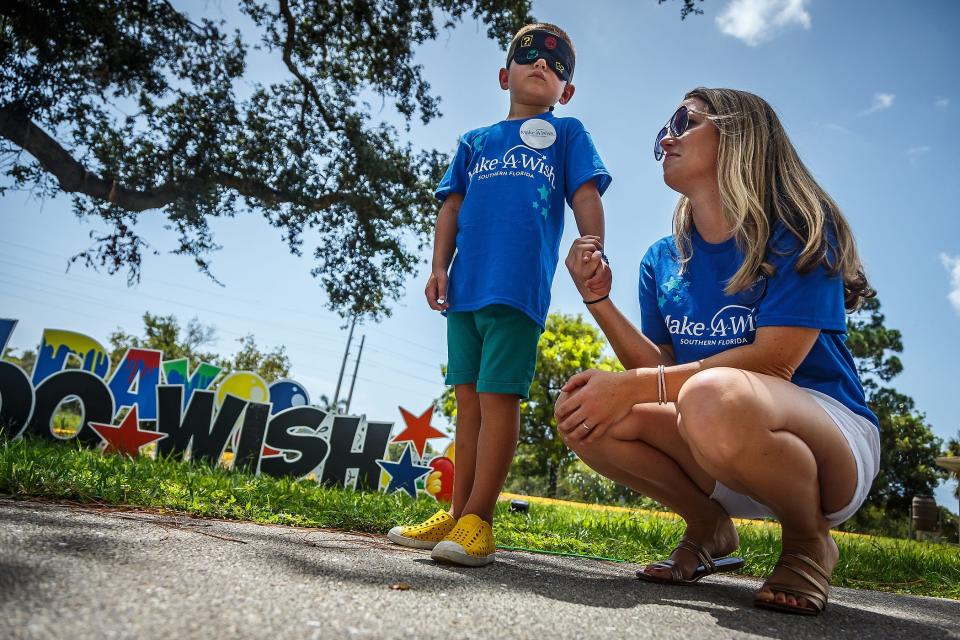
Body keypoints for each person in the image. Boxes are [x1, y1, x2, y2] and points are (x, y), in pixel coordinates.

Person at [555, 88, 879, 615]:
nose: (667, 137)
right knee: (585, 411)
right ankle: (708, 527)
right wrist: (598, 300)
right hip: (716, 434)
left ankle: (807, 542)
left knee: (708, 393)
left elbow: (775, 364)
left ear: (740, 135)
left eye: (685, 121)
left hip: (827, 446)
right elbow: (658, 375)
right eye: (665, 128)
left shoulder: (799, 225)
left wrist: (638, 387)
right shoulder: (661, 258)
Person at [386, 22, 612, 566]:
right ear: (503, 73)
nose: (543, 66)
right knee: (465, 399)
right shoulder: (474, 141)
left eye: (558, 67)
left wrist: (593, 244)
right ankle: (458, 511)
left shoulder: (568, 134)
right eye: (529, 56)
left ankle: (480, 522)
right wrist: (439, 267)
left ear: (568, 91)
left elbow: (584, 194)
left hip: (515, 289)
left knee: (497, 398)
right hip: (464, 289)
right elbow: (450, 208)